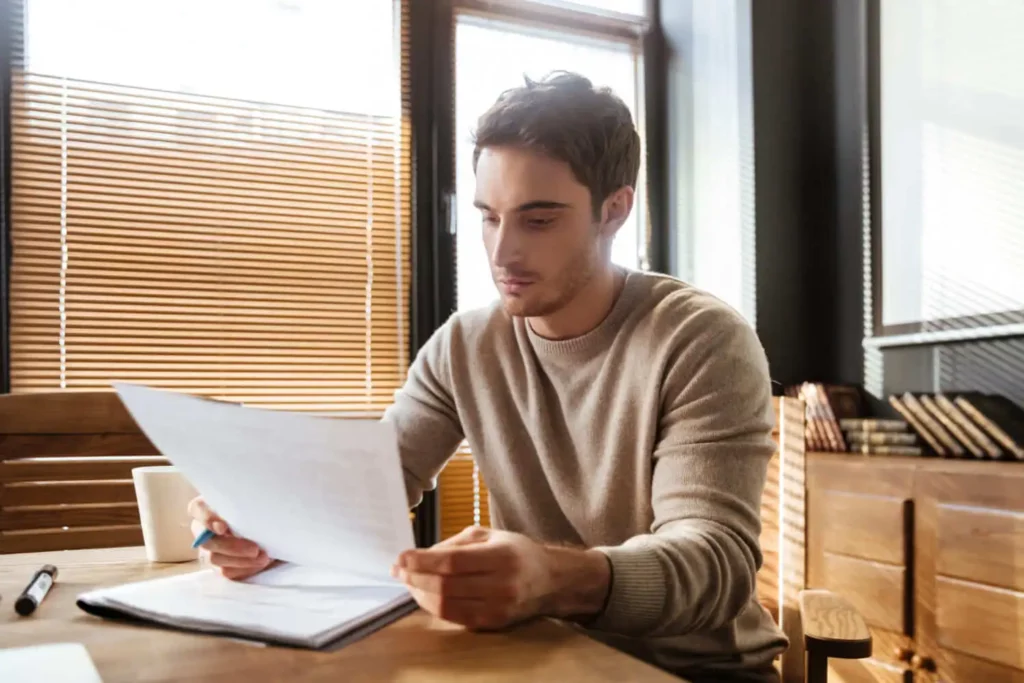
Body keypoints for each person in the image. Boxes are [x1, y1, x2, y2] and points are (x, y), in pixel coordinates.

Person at [187, 71, 788, 682]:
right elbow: (370, 486)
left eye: (539, 220)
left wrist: (555, 578)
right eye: (488, 218)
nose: (502, 254)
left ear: (614, 210)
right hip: (534, 659)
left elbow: (716, 560)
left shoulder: (701, 339)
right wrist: (258, 522)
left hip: (694, 672)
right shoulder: (464, 344)